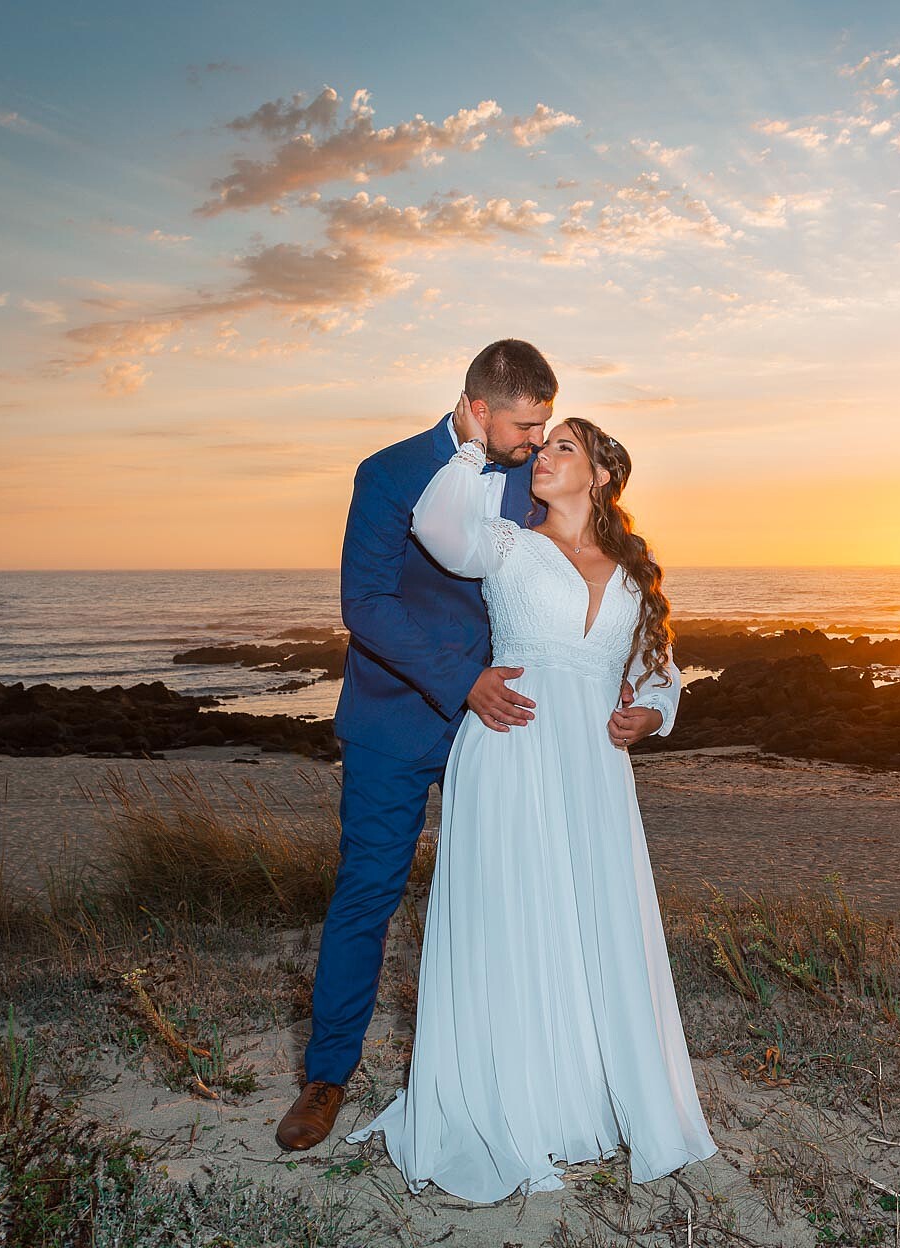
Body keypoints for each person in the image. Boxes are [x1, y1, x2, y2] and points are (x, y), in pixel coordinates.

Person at [276, 339, 679, 1151]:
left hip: (513, 733)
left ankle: (528, 1071)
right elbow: (369, 603)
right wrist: (463, 679)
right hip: (401, 719)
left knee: (522, 899)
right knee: (367, 892)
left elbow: (577, 593)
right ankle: (326, 1078)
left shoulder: (535, 485)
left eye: (547, 430)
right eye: (527, 425)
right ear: (479, 409)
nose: (537, 442)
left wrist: (633, 693)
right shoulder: (390, 473)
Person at [339, 401, 718, 1201]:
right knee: (510, 913)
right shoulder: (505, 542)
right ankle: (510, 1097)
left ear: (602, 474)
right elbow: (440, 527)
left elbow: (660, 671)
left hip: (594, 768)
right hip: (510, 751)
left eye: (563, 447)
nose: (540, 455)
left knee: (588, 916)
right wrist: (473, 449)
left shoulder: (636, 578)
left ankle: (581, 1087)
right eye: (538, 444)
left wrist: (649, 713)